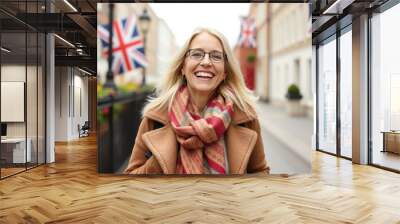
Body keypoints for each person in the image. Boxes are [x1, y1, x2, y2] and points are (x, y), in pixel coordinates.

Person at [124, 27, 269, 175]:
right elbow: (129, 180)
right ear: (182, 67)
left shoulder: (245, 118)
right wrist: (160, 159)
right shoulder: (155, 117)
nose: (206, 62)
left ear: (225, 71)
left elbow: (260, 173)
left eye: (216, 56)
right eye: (197, 54)